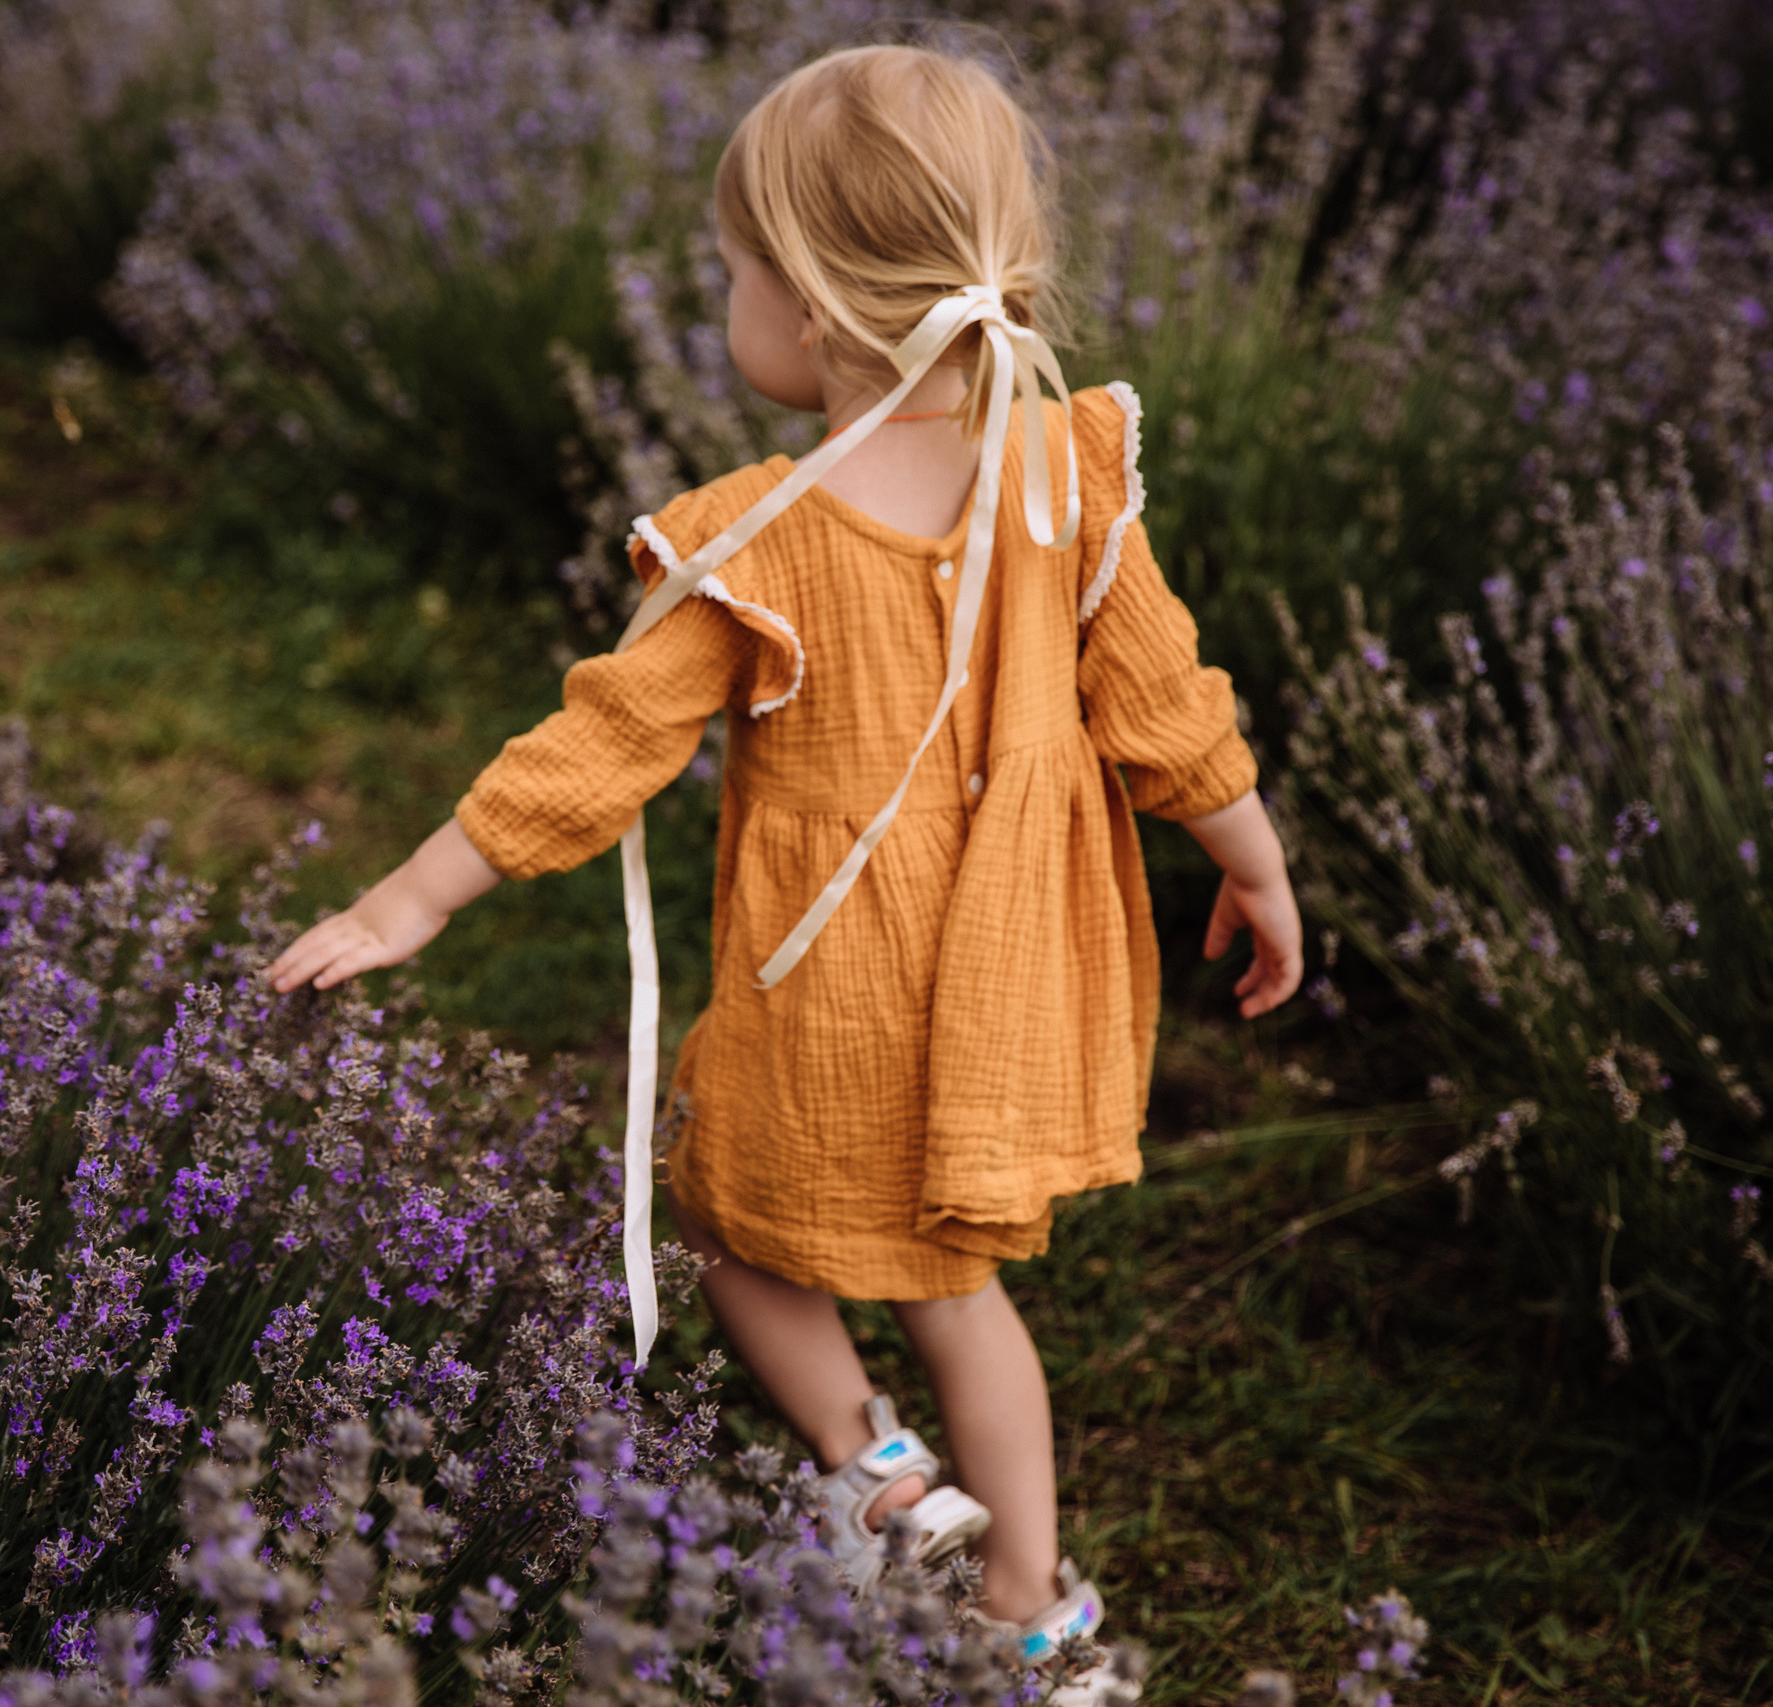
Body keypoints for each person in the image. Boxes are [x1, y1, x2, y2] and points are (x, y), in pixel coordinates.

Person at [270, 42, 1301, 1676]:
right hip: (1006, 972)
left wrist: (409, 899)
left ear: (813, 310)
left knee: (728, 1228)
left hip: (828, 980)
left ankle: (876, 1477)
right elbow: (1163, 711)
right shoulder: (1066, 480)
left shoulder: (758, 538)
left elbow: (603, 745)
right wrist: (1254, 862)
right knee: (961, 1297)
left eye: (734, 270)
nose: (724, 298)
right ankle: (1035, 1614)